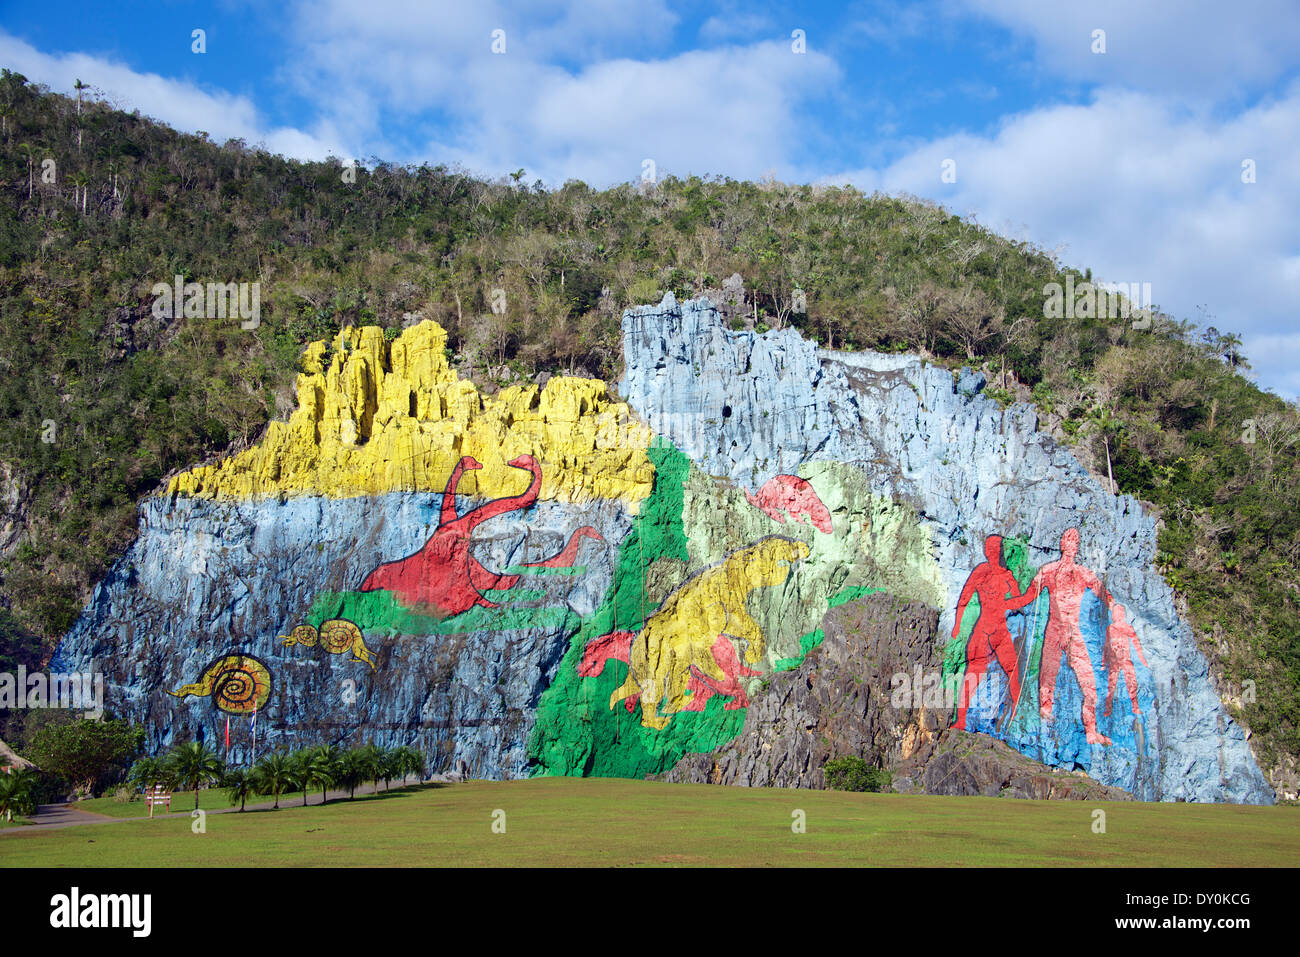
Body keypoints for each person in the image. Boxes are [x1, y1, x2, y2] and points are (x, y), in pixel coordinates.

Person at [1010, 528, 1113, 745]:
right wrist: (1008, 604)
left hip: (1074, 633)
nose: (1073, 543)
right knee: (1047, 678)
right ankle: (1044, 721)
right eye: (1069, 539)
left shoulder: (1084, 574)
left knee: (1090, 687)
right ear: (1062, 544)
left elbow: (1105, 595)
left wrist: (1117, 615)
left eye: (1076, 540)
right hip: (1054, 630)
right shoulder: (1048, 571)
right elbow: (1029, 596)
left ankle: (1091, 730)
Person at [951, 535, 1024, 731]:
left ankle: (1016, 715)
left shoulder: (1007, 576)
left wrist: (1016, 600)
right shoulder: (981, 572)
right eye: (990, 548)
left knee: (1012, 670)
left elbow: (1017, 601)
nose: (993, 552)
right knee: (973, 672)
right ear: (985, 550)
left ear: (1000, 551)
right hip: (983, 628)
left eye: (996, 548)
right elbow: (965, 596)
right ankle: (961, 720)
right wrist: (957, 625)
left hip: (1000, 629)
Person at [1103, 600, 1148, 718]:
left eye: (1119, 612)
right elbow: (1106, 646)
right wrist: (1103, 662)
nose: (1116, 615)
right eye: (1115, 612)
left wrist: (1142, 660)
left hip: (1126, 659)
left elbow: (1136, 644)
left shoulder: (1128, 627)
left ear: (1122, 614)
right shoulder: (1110, 628)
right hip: (1114, 661)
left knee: (1132, 683)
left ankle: (1135, 706)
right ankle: (1108, 709)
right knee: (1111, 685)